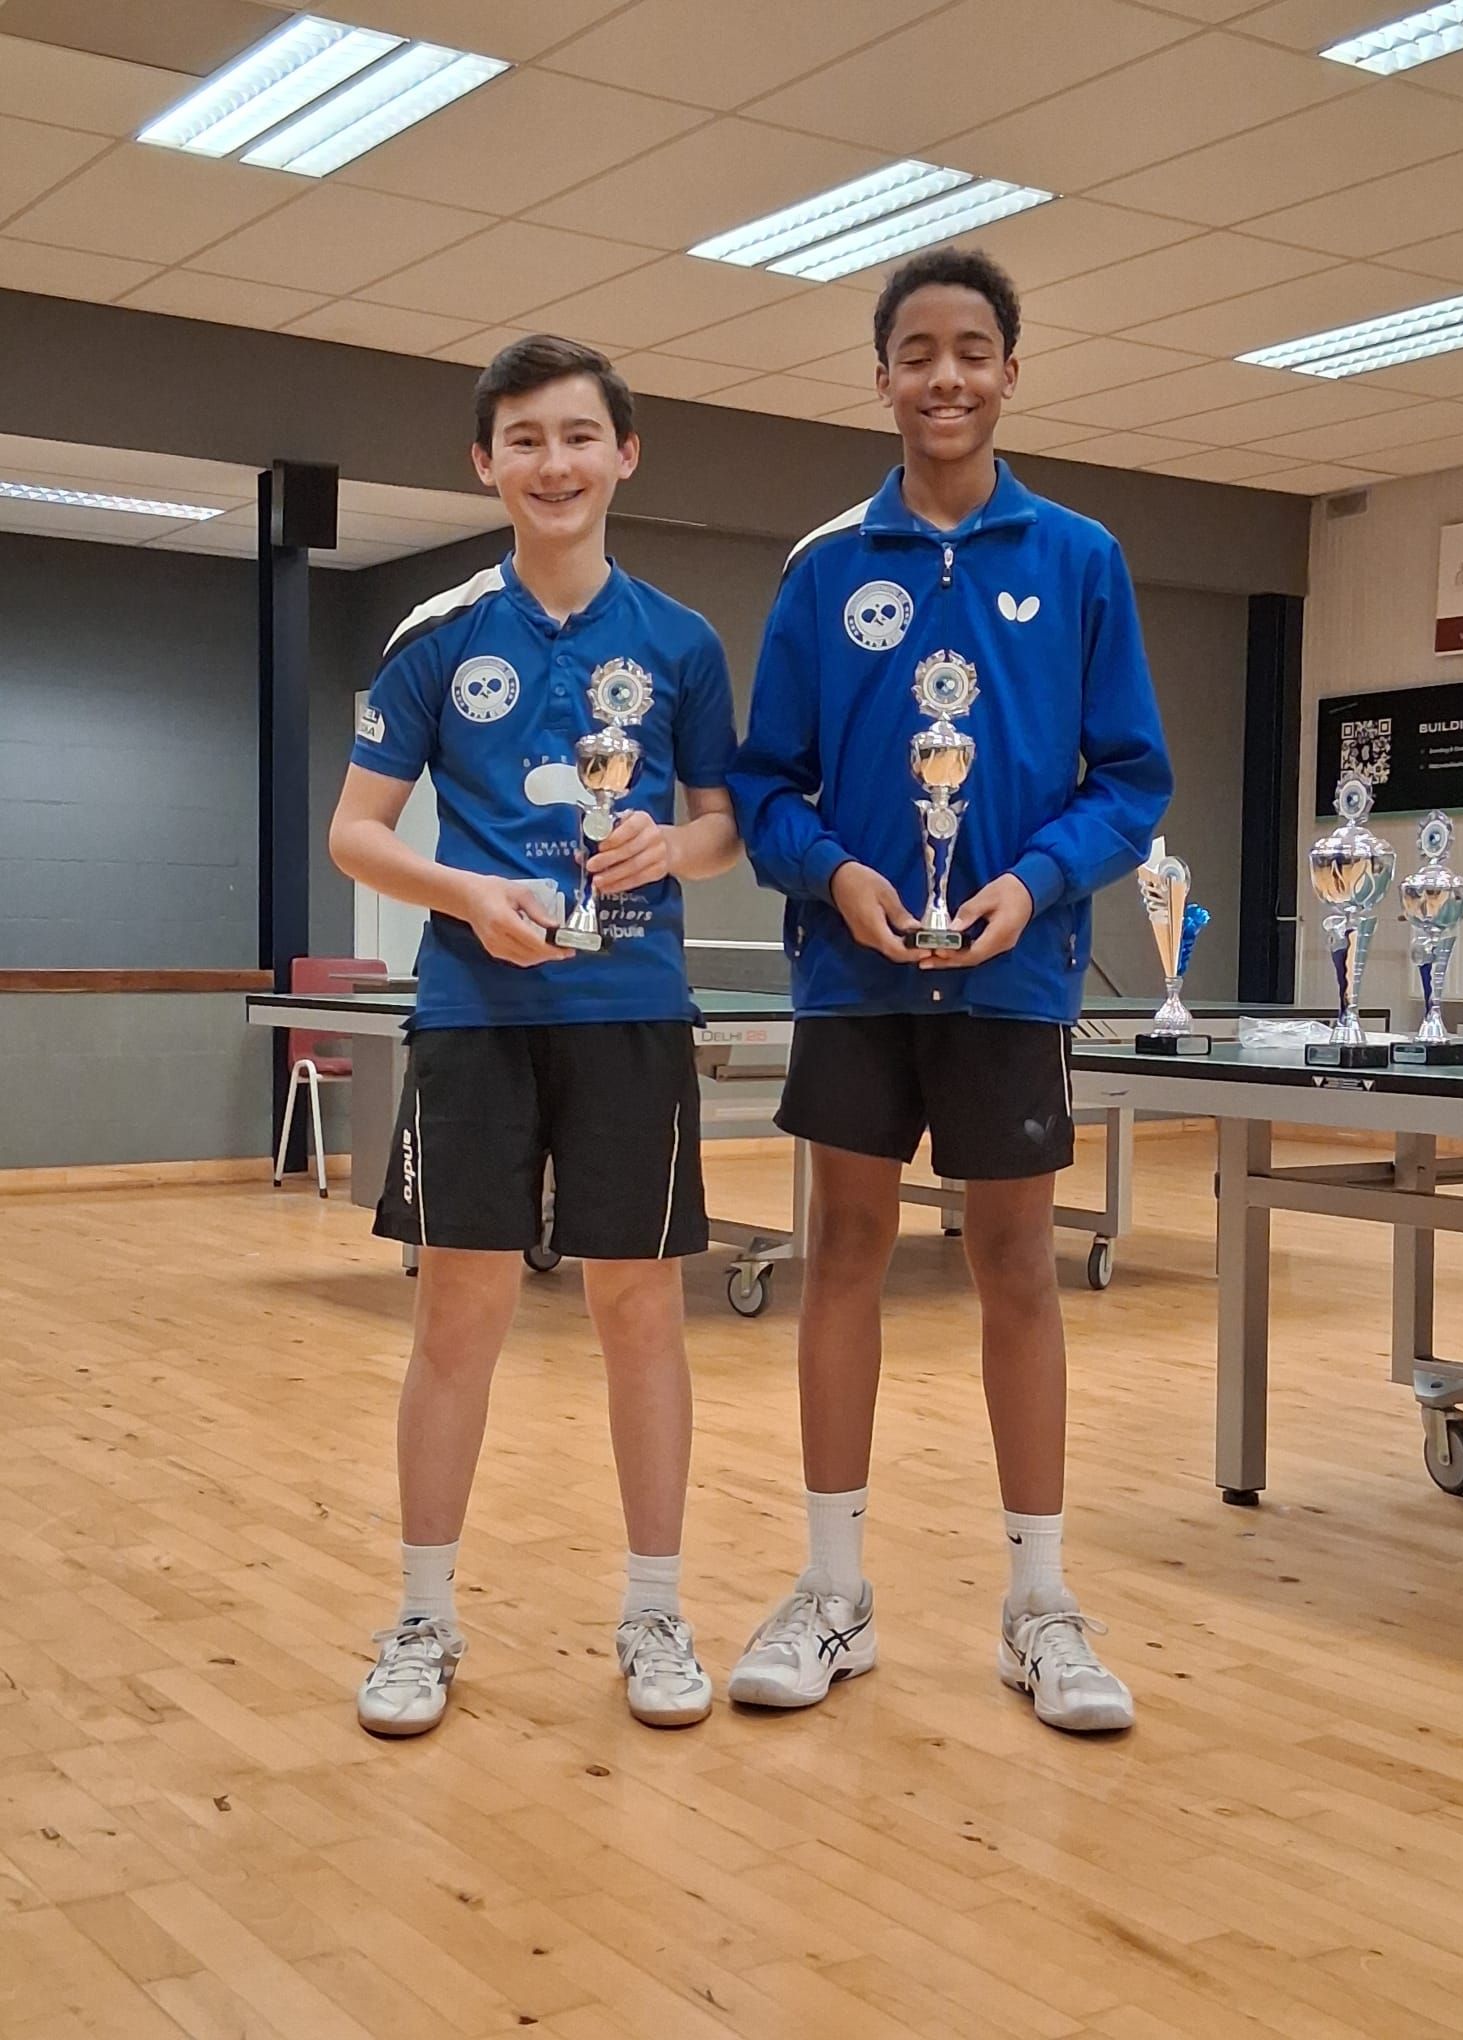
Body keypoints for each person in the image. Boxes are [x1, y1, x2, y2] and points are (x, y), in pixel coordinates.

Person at [726, 249, 1172, 1733]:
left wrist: (1031, 884)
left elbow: (1129, 783)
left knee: (1016, 1265)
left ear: (1009, 372)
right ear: (880, 378)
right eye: (916, 352)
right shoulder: (822, 569)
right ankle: (832, 1592)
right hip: (853, 978)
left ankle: (1040, 1607)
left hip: (1014, 980)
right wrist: (837, 875)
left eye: (972, 350)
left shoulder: (1081, 559)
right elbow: (765, 787)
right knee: (844, 1253)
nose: (944, 377)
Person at [329, 335, 739, 1737]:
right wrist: (467, 895)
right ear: (484, 463)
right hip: (474, 1017)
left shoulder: (681, 642)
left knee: (642, 1312)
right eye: (524, 439)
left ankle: (655, 1612)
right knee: (459, 1314)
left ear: (624, 454)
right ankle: (422, 1618)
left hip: (631, 1012)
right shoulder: (437, 636)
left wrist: (668, 848)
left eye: (577, 436)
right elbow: (356, 833)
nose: (552, 463)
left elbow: (723, 827)